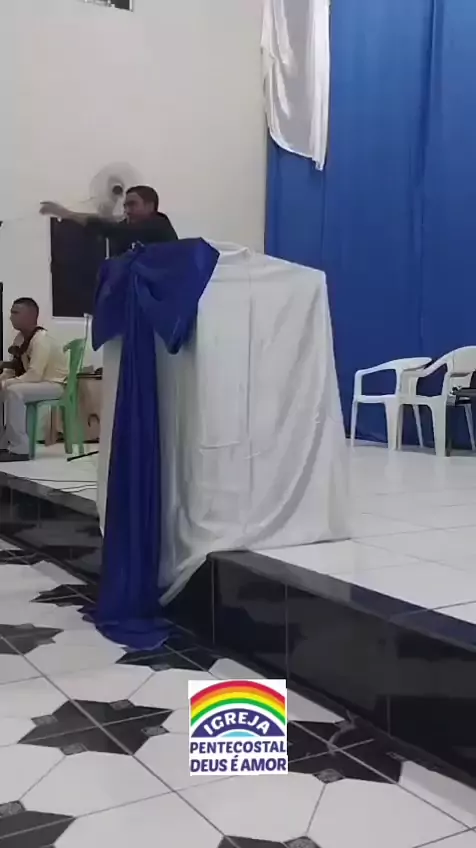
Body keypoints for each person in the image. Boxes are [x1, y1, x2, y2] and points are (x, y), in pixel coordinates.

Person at [0, 298, 68, 462]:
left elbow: (34, 375)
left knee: (14, 391)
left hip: (54, 384)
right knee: (7, 387)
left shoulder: (41, 340)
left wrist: (6, 384)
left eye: (16, 313)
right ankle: (3, 443)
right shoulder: (19, 339)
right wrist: (2, 380)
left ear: (30, 316)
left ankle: (20, 449)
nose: (11, 317)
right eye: (11, 312)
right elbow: (12, 369)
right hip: (38, 383)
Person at [40, 185, 178, 255]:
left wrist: (66, 214)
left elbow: (109, 227)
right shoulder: (131, 228)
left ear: (150, 206)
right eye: (125, 206)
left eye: (132, 204)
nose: (127, 210)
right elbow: (107, 223)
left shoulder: (158, 225)